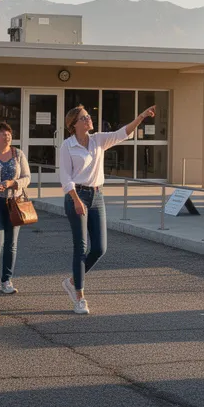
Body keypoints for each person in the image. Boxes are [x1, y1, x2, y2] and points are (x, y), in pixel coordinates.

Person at [58, 103, 156, 315]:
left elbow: (123, 133)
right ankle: (79, 297)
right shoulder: (67, 146)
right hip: (77, 196)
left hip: (97, 196)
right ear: (74, 124)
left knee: (100, 248)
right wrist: (75, 199)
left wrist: (140, 117)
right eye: (84, 118)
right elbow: (65, 178)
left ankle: (73, 281)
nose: (88, 120)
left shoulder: (98, 140)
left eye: (88, 117)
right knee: (80, 247)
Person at [0, 122, 31, 295]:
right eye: (3, 134)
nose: (7, 136)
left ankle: (6, 280)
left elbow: (27, 177)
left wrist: (13, 183)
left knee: (11, 244)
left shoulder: (18, 154)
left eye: (9, 134)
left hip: (14, 203)